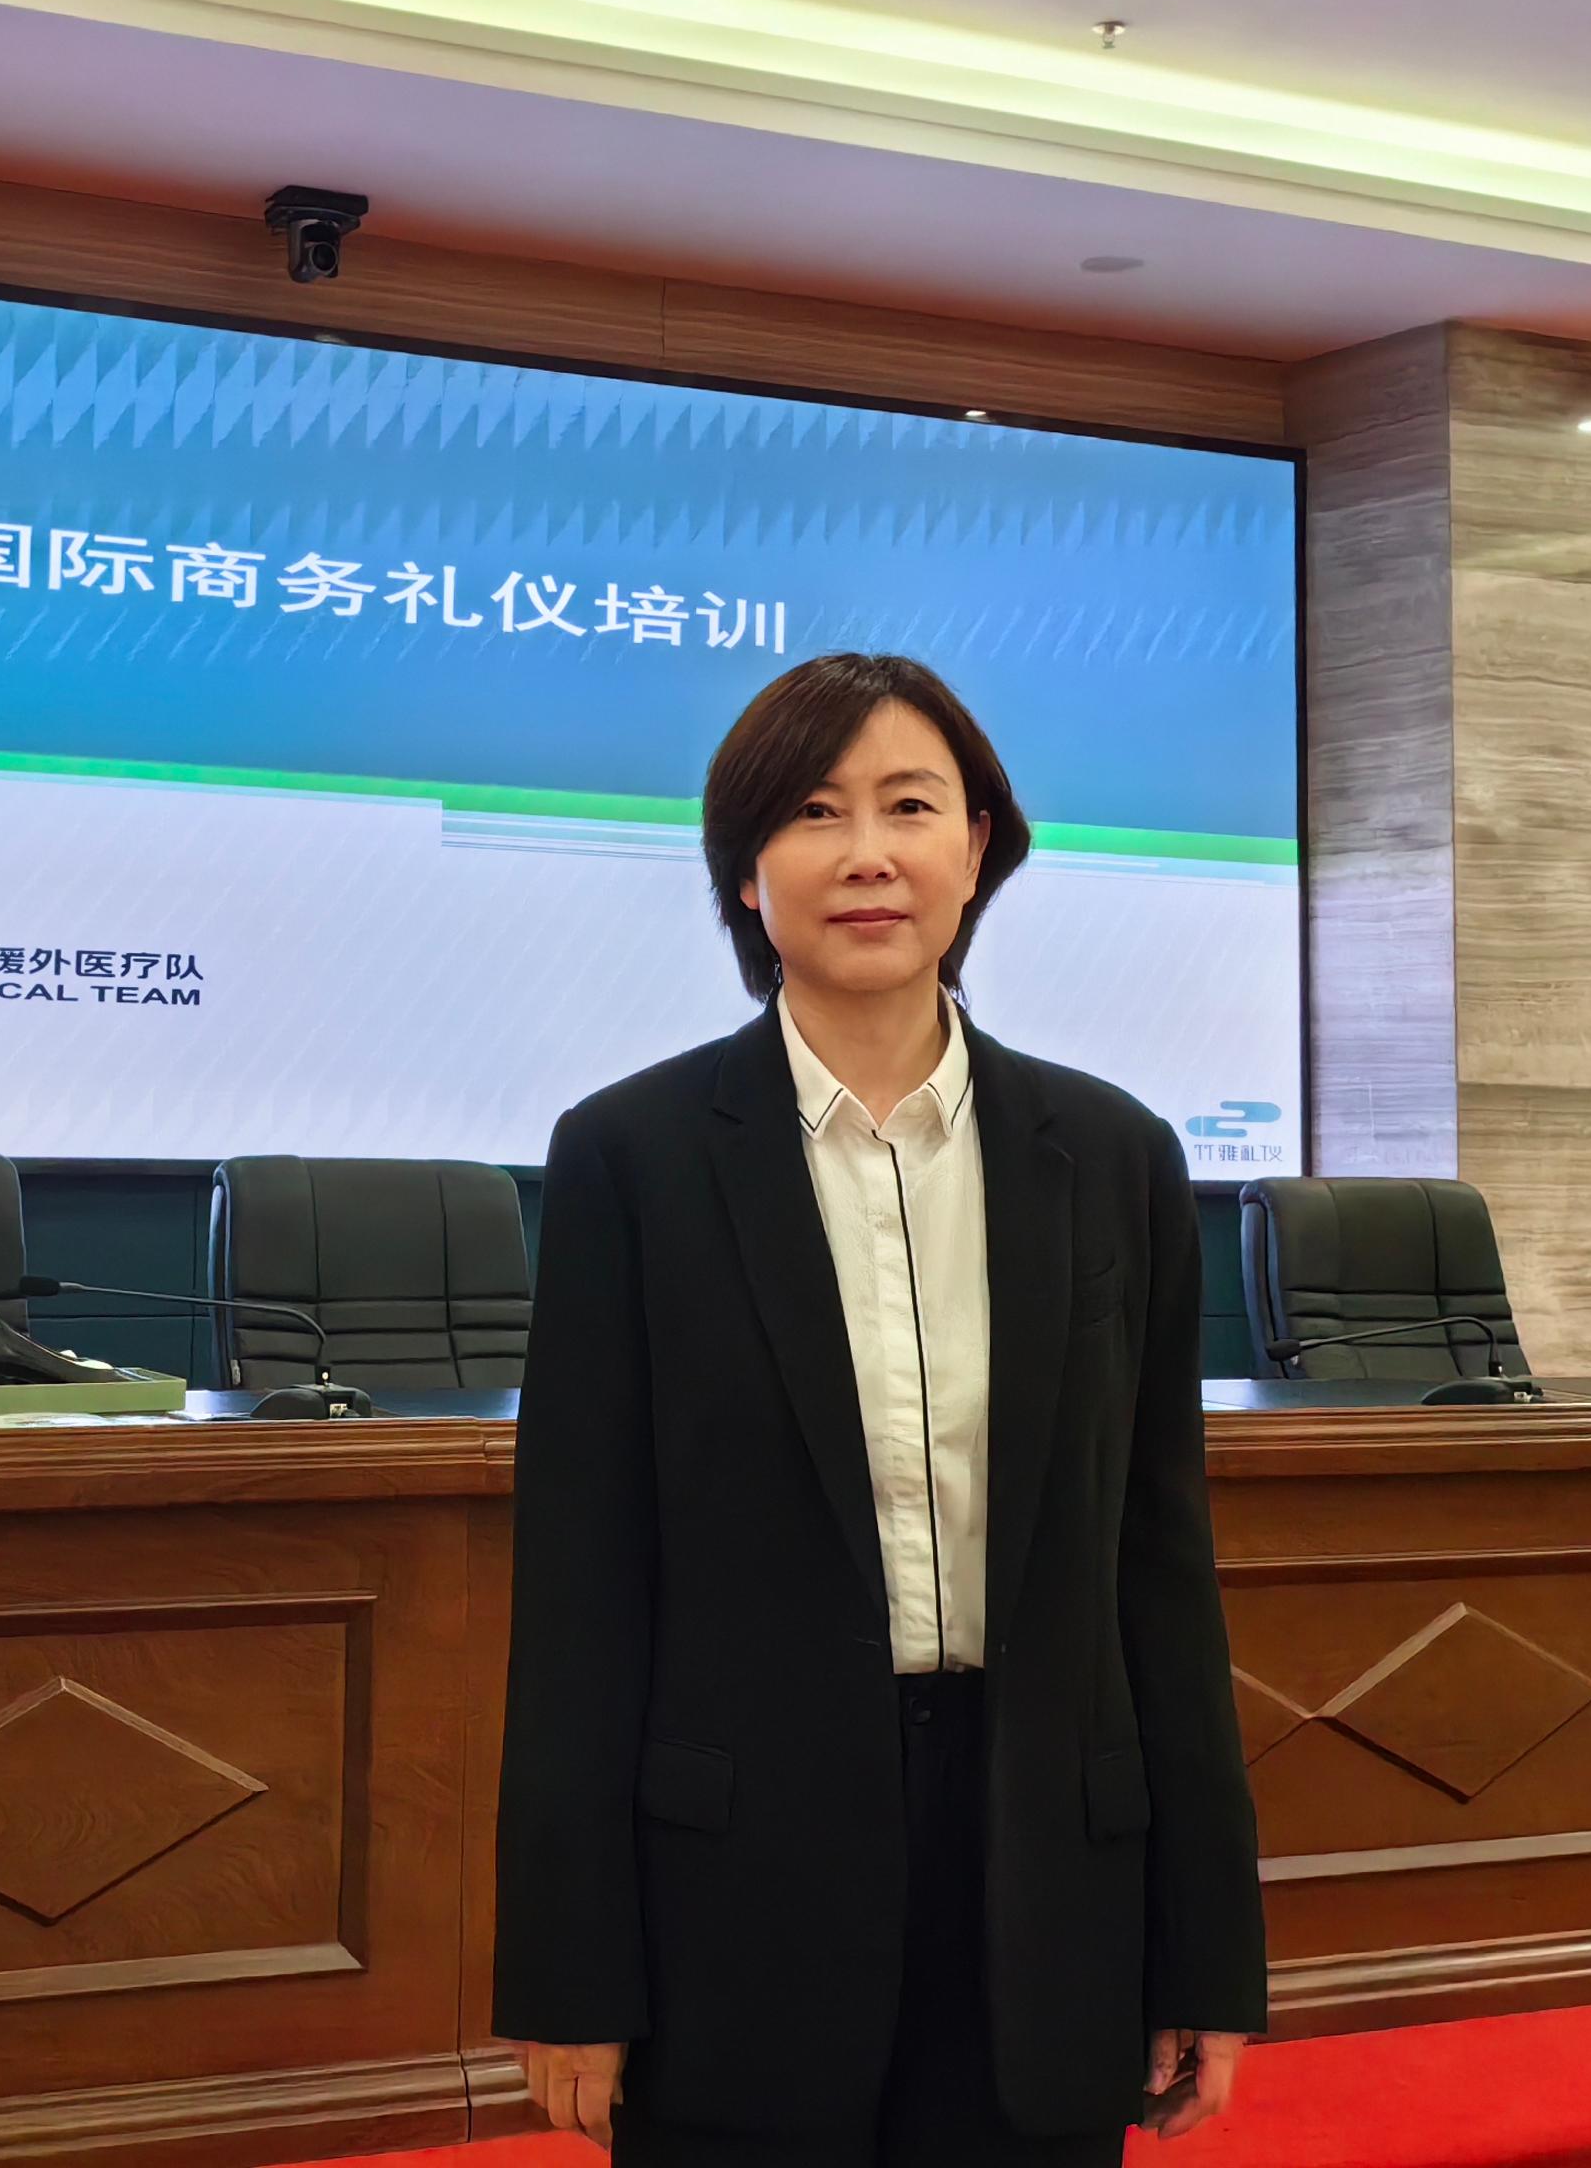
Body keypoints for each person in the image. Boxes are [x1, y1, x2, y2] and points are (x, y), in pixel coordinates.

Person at [495, 651, 1265, 2165]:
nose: (866, 853)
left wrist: (1203, 1949)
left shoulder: (1113, 1156)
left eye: (910, 807)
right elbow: (582, 1591)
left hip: (1047, 1882)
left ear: (976, 851)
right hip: (735, 1902)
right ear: (745, 875)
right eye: (812, 812)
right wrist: (569, 1970)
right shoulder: (633, 1157)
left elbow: (1160, 1571)